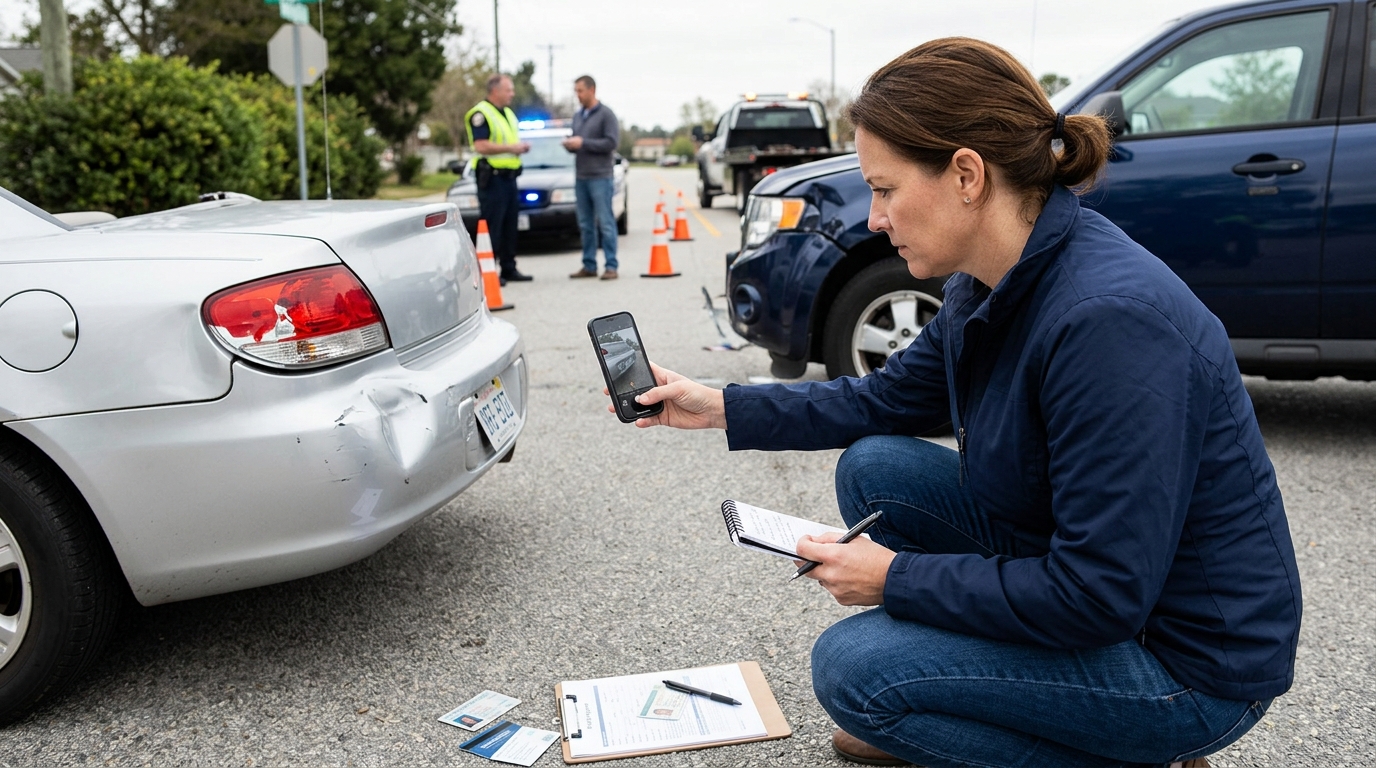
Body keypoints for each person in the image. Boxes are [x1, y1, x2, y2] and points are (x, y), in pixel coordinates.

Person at [617, 38, 1301, 768]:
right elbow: (883, 397)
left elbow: (1100, 594)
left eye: (885, 189)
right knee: (875, 469)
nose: (875, 217)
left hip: (1184, 665)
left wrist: (893, 579)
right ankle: (985, 704)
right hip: (1108, 589)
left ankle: (1129, 747)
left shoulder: (1108, 322)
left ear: (967, 175)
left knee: (855, 670)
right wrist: (718, 403)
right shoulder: (993, 274)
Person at [465, 74, 532, 285]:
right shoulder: (480, 114)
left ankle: (509, 268)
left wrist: (517, 150)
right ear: (495, 90)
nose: (512, 93)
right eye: (509, 90)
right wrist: (512, 148)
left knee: (510, 225)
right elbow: (481, 145)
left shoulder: (508, 114)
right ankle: (488, 272)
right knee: (494, 225)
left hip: (509, 178)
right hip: (492, 179)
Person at [564, 75, 622, 280]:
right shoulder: (578, 116)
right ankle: (589, 264)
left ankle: (611, 265)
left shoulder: (606, 115)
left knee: (605, 222)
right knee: (585, 224)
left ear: (592, 90)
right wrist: (571, 145)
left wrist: (584, 143)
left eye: (580, 91)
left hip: (601, 177)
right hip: (582, 177)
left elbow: (611, 143)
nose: (577, 95)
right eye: (576, 91)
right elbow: (579, 143)